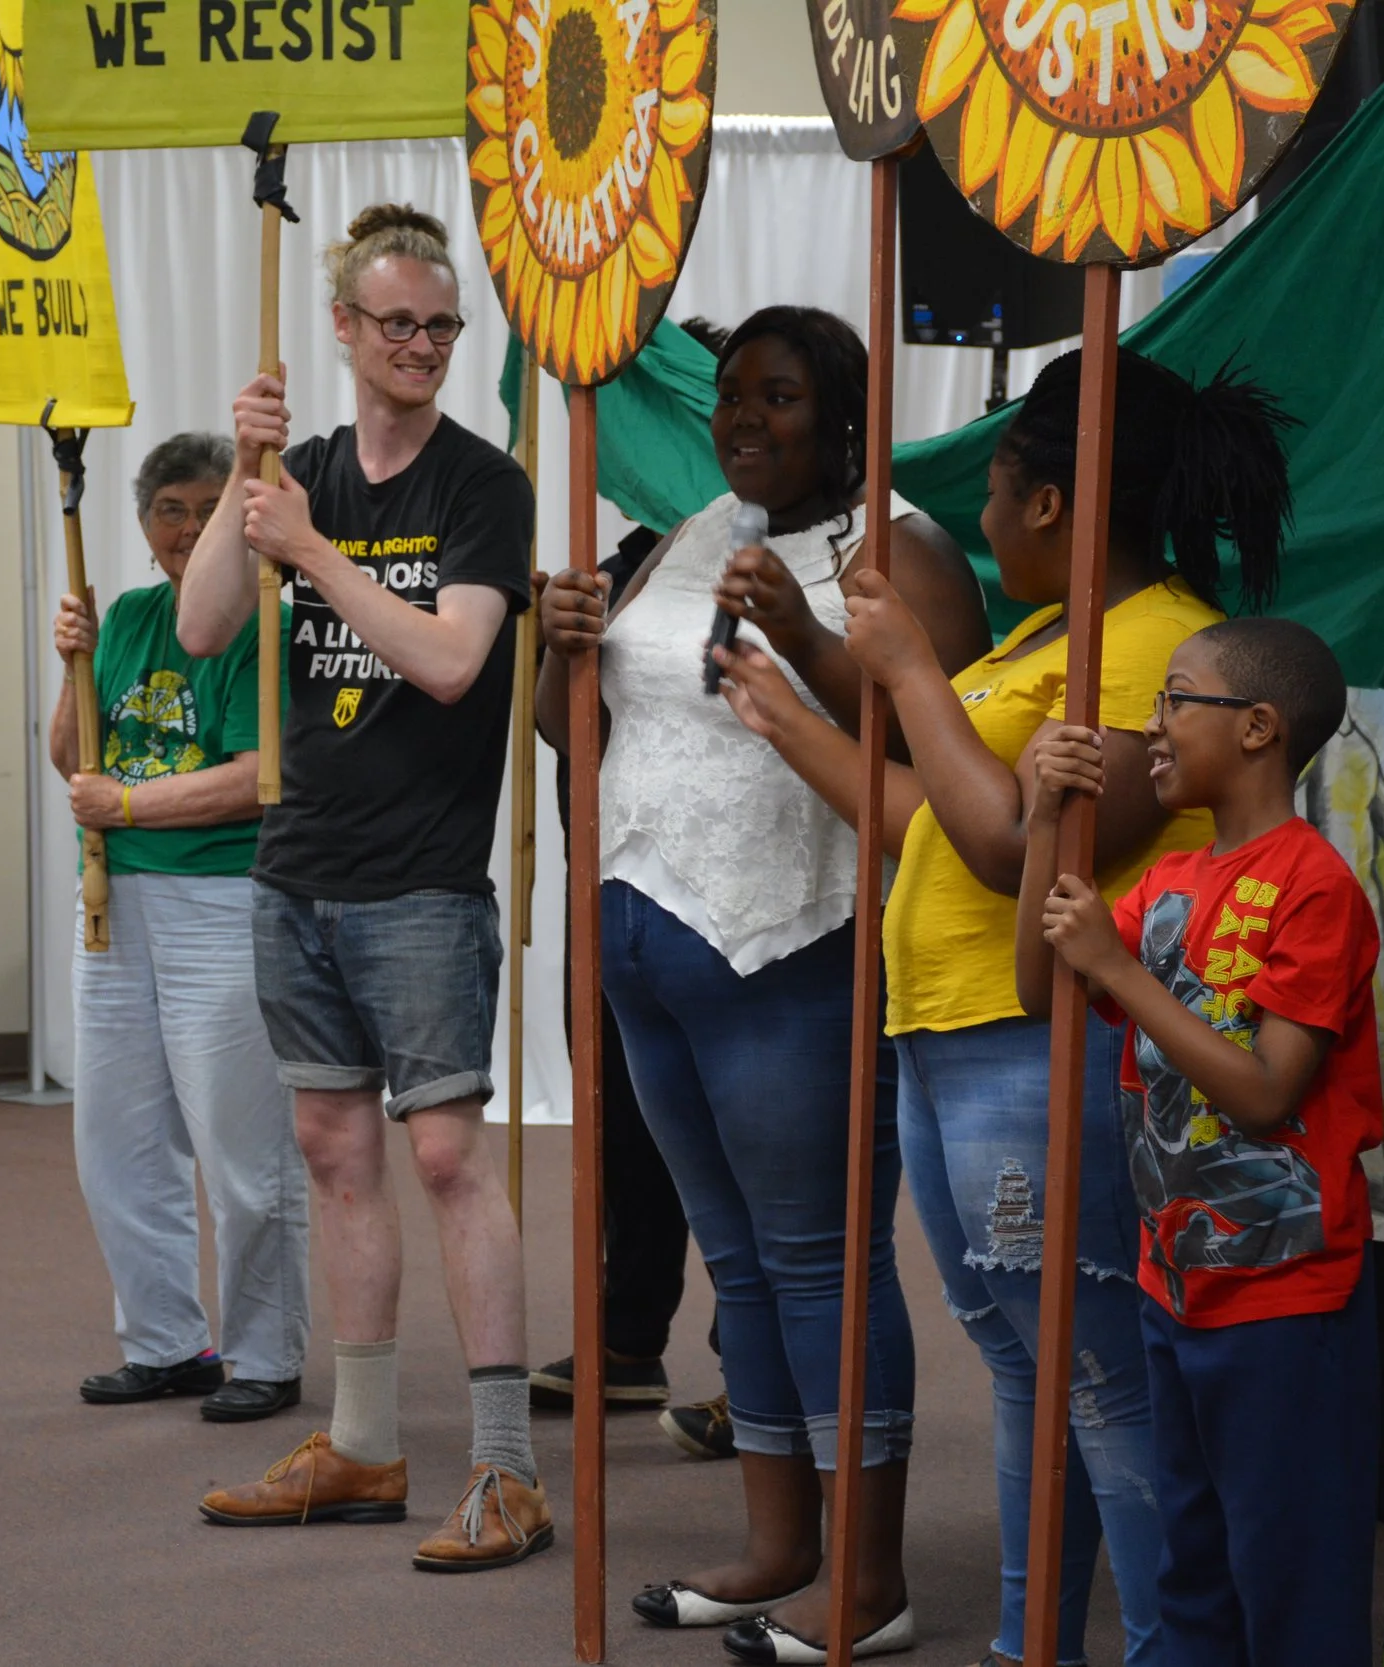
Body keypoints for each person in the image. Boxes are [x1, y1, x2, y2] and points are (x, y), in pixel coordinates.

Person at [713, 347, 1295, 1667]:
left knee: (1095, 1375)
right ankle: (1036, 1640)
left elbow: (1011, 850)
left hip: (1043, 1044)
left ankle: (1165, 1644)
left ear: (1043, 502)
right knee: (1037, 1370)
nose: (974, 517)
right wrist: (802, 687)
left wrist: (913, 665)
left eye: (991, 489)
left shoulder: (1161, 649)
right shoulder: (1046, 636)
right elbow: (935, 814)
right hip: (950, 1036)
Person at [538, 304, 992, 1660]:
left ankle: (868, 1578)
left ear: (846, 413)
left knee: (819, 1263)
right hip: (649, 953)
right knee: (736, 1263)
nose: (745, 419)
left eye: (779, 397)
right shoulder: (690, 533)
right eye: (733, 395)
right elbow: (597, 722)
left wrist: (804, 628)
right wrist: (561, 647)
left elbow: (947, 760)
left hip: (793, 952)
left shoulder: (899, 549)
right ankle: (779, 1545)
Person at [181, 206, 548, 1573]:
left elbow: (453, 662)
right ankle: (368, 1440)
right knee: (336, 1154)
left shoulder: (480, 484)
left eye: (442, 325)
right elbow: (211, 620)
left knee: (449, 1153)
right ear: (342, 327)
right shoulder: (303, 466)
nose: (424, 346)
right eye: (398, 322)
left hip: (422, 876)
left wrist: (320, 554)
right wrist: (246, 478)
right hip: (300, 864)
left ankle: (506, 1466)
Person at [1029, 618, 1382, 1666]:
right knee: (1196, 1576)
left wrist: (1124, 972)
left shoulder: (1315, 883)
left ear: (1259, 727)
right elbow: (1035, 985)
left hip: (1287, 1296)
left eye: (1178, 697)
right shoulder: (1172, 881)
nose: (1155, 722)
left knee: (1293, 1583)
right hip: (1174, 1283)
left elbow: (1271, 1091)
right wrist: (1046, 815)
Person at [53, 433, 308, 1423]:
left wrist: (128, 809)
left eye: (211, 509)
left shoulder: (260, 622)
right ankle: (166, 1342)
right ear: (143, 517)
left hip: (221, 899)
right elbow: (75, 763)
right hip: (115, 903)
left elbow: (257, 778)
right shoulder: (126, 615)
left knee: (243, 1149)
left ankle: (263, 1354)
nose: (189, 528)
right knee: (114, 1141)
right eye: (170, 509)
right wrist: (72, 664)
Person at [530, 319, 731, 1455]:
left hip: (720, 899)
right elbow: (569, 734)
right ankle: (626, 1330)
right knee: (625, 1118)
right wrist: (562, 642)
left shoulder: (780, 556)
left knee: (736, 1142)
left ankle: (755, 1371)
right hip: (607, 889)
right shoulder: (615, 559)